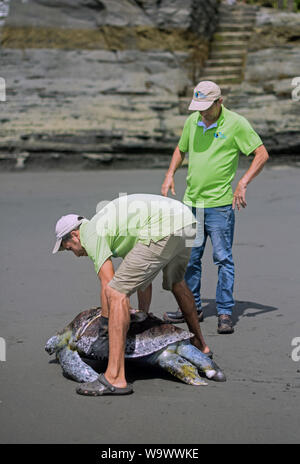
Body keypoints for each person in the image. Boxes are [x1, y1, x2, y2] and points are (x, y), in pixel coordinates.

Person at [52, 194, 211, 396]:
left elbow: (109, 283)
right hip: (187, 221)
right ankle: (200, 344)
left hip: (163, 226)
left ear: (75, 235)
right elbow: (144, 279)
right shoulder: (119, 230)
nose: (75, 254)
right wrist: (143, 314)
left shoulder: (90, 232)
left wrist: (104, 329)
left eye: (70, 248)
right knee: (177, 283)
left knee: (116, 291)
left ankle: (115, 378)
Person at [161, 81, 269, 334]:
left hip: (220, 206)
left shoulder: (236, 123)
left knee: (222, 259)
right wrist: (169, 175)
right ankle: (193, 306)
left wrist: (243, 182)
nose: (202, 112)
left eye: (206, 107)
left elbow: (261, 154)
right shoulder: (193, 121)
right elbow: (180, 148)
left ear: (219, 101)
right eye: (198, 107)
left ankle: (224, 312)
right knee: (191, 259)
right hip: (192, 204)